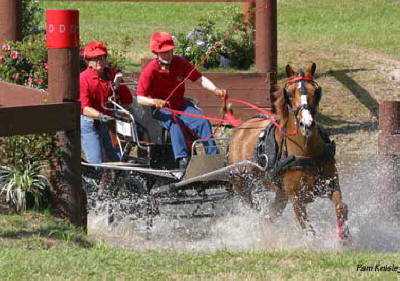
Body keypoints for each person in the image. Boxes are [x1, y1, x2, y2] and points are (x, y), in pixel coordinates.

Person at [137, 31, 225, 169]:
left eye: (169, 51)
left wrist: (215, 89)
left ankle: (213, 158)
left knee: (202, 121)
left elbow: (199, 79)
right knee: (175, 124)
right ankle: (182, 160)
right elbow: (140, 98)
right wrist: (154, 102)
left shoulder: (180, 62)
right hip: (161, 110)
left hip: (181, 106)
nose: (167, 55)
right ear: (156, 53)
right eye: (163, 52)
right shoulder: (150, 71)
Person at [79, 41, 132, 164]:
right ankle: (91, 181)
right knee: (97, 162)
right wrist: (101, 116)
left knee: (119, 161)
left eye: (101, 57)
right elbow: (84, 108)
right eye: (94, 58)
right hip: (90, 123)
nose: (98, 61)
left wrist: (122, 114)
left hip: (109, 122)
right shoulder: (83, 79)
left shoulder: (112, 74)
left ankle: (116, 182)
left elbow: (127, 99)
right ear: (88, 61)